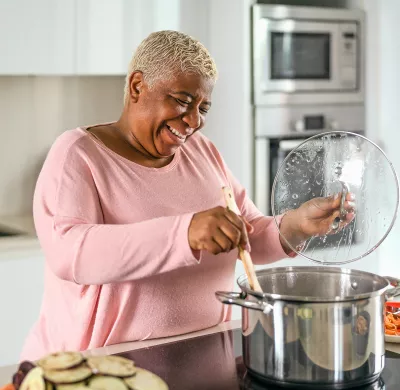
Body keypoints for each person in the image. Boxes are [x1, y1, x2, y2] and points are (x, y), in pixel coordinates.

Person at [20, 30, 354, 361]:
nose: (194, 121)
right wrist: (184, 233)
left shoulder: (202, 152)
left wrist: (295, 225)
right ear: (138, 86)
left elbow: (246, 234)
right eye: (182, 101)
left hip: (205, 355)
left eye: (203, 107)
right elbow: (71, 253)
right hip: (101, 368)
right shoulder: (79, 154)